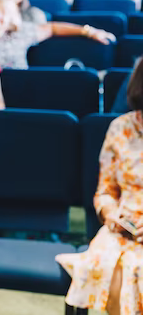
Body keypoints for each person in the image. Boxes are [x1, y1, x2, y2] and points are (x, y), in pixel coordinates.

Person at [56, 60, 143, 314]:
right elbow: (105, 191)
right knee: (113, 267)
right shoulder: (121, 128)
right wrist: (111, 215)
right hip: (122, 228)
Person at [0, 0, 115, 69]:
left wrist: (89, 31)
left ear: (12, 19)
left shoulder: (20, 34)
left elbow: (53, 28)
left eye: (4, 12)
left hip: (18, 92)